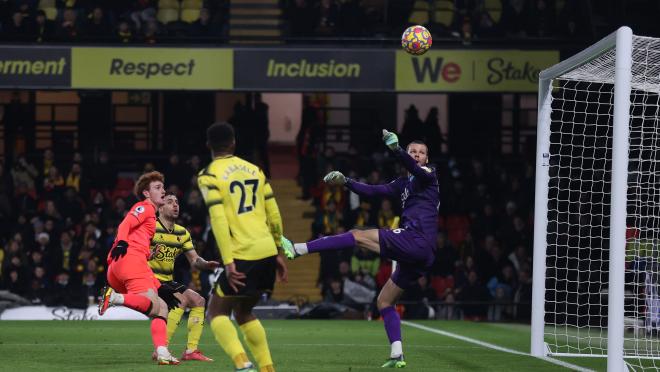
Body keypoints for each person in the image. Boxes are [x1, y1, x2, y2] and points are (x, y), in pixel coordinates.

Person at [281, 130, 439, 368]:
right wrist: (346, 181)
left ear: (427, 159)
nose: (417, 156)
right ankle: (397, 354)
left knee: (357, 235)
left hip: (417, 240)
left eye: (421, 153)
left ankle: (298, 248)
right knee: (384, 302)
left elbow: (415, 170)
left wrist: (396, 150)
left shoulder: (428, 174)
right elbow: (374, 191)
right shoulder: (403, 183)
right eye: (413, 152)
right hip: (419, 252)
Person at [197, 122, 288, 372]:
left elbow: (218, 220)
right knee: (244, 311)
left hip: (241, 252)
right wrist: (279, 251)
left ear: (208, 146)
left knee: (216, 313)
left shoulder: (209, 175)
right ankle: (267, 367)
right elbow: (275, 214)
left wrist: (228, 262)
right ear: (233, 142)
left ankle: (242, 363)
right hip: (267, 250)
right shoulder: (256, 170)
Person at [98, 171, 180, 365]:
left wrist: (148, 253)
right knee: (153, 306)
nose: (163, 191)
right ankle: (114, 297)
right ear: (146, 193)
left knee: (161, 308)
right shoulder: (145, 208)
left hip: (121, 266)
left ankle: (162, 352)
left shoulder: (151, 218)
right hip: (129, 260)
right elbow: (125, 224)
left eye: (163, 187)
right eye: (157, 188)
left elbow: (135, 236)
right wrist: (122, 243)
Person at [148, 192, 220, 362]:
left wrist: (205, 263)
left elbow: (194, 260)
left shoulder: (182, 232)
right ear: (160, 207)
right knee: (181, 299)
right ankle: (161, 348)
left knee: (199, 300)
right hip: (148, 280)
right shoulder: (150, 227)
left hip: (166, 280)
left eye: (177, 202)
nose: (175, 205)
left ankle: (191, 351)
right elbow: (134, 252)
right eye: (170, 202)